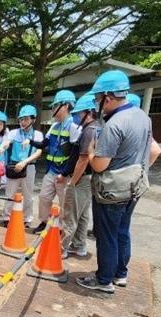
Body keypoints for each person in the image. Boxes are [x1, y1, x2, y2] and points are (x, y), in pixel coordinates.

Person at [76, 70, 161, 294]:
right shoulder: (142, 116)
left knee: (106, 235)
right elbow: (153, 150)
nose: (98, 104)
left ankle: (104, 280)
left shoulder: (114, 125)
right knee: (122, 231)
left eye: (98, 99)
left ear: (109, 96)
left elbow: (99, 166)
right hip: (135, 186)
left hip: (112, 190)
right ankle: (120, 274)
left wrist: (92, 152)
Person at [31, 90, 82, 234]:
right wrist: (30, 141)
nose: (52, 109)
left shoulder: (74, 127)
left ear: (65, 106)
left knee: (64, 202)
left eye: (55, 106)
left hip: (64, 173)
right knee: (44, 197)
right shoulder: (55, 126)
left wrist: (66, 173)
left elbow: (75, 153)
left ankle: (61, 229)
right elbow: (43, 144)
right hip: (51, 169)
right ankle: (44, 221)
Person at [60, 93, 99, 259]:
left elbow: (82, 160)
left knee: (71, 215)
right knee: (83, 214)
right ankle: (79, 245)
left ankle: (61, 249)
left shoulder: (89, 131)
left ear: (88, 113)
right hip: (90, 178)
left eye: (78, 113)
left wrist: (72, 182)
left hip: (81, 178)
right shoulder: (97, 127)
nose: (76, 117)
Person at [0, 105, 43, 227]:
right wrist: (2, 147)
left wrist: (25, 162)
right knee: (10, 193)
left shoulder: (37, 135)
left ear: (33, 119)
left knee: (28, 194)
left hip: (29, 167)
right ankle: (7, 217)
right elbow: (7, 142)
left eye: (26, 119)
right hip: (14, 166)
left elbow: (39, 152)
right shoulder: (14, 133)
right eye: (21, 119)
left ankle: (26, 218)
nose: (23, 122)